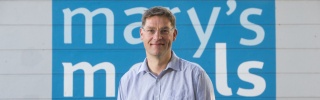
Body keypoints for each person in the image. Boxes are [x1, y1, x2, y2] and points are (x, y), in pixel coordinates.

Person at [117, 6, 215, 100]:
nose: (157, 37)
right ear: (141, 34)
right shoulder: (127, 81)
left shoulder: (195, 76)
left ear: (174, 34)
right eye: (151, 30)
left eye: (164, 31)